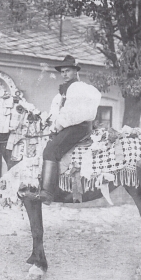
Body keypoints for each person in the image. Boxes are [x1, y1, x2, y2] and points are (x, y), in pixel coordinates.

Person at [28, 55, 101, 205]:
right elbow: (58, 111)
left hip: (77, 126)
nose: (65, 74)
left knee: (50, 150)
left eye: (68, 71)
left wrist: (58, 125)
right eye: (63, 72)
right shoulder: (65, 90)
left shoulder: (77, 88)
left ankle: (47, 192)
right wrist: (53, 124)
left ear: (75, 72)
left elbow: (73, 113)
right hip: (70, 124)